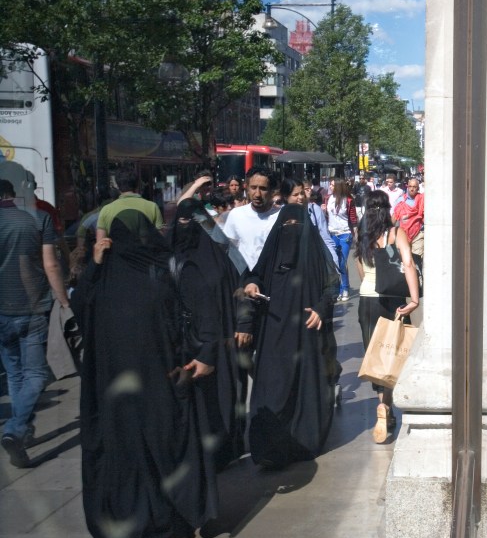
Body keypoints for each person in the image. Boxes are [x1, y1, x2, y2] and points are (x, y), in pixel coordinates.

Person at [75, 210, 217, 538]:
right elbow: (81, 311)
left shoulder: (147, 273)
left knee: (149, 456)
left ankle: (163, 528)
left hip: (148, 387)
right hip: (138, 392)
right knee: (139, 457)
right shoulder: (120, 276)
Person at [241, 204, 340, 468]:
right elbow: (254, 275)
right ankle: (269, 448)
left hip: (307, 333)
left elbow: (332, 285)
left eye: (297, 228)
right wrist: (252, 285)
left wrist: (321, 309)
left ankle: (304, 441)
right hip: (273, 331)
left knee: (305, 384)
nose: (291, 232)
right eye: (286, 227)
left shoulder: (316, 257)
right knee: (271, 387)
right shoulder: (271, 255)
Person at [170, 200, 245, 471]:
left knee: (223, 395)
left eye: (194, 222)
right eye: (181, 221)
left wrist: (242, 324)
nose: (186, 228)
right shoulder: (171, 256)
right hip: (185, 342)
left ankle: (225, 446)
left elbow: (243, 282)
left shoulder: (226, 253)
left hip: (221, 338)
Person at [0, 179, 71, 467]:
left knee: (14, 374)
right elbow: (50, 264)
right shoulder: (38, 219)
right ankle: (16, 429)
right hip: (32, 307)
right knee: (37, 375)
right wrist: (63, 299)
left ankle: (23, 429)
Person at [355, 190, 420, 443]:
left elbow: (360, 266)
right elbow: (408, 264)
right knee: (392, 353)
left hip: (367, 299)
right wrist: (413, 299)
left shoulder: (362, 235)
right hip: (392, 300)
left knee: (375, 354)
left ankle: (382, 405)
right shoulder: (395, 234)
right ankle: (387, 407)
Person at [221, 167, 281, 273]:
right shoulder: (236, 215)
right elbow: (228, 248)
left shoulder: (281, 216)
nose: (257, 194)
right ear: (247, 188)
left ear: (272, 191)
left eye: (263, 188)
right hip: (244, 279)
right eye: (253, 188)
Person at [96, 170, 164, 240]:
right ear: (137, 185)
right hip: (145, 250)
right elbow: (160, 239)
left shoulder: (106, 210)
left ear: (118, 186)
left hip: (117, 250)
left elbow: (100, 243)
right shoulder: (152, 207)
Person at [326, 178, 358, 301]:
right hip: (332, 233)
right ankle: (339, 288)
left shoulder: (349, 201)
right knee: (334, 262)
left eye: (333, 185)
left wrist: (355, 236)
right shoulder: (328, 199)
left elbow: (353, 220)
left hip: (345, 234)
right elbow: (327, 216)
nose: (330, 186)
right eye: (330, 184)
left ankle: (344, 288)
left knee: (342, 262)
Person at [393, 177, 424, 259]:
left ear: (418, 188)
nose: (412, 189)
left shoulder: (422, 199)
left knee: (417, 260)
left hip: (418, 234)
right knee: (404, 259)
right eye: (410, 186)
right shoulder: (400, 200)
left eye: (414, 187)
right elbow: (394, 216)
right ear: (407, 187)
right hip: (403, 234)